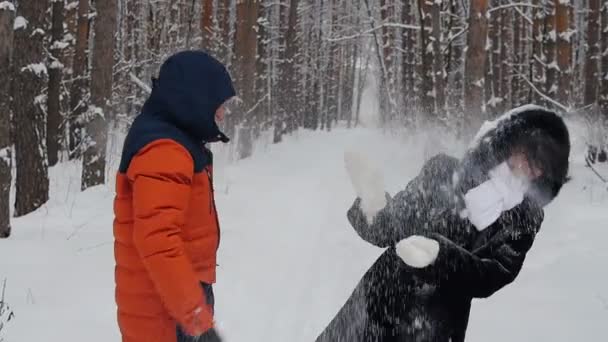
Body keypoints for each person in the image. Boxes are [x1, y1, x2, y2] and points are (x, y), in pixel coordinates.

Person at [315, 105, 571, 342]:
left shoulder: (522, 220)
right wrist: (373, 203)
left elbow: (491, 275)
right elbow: (390, 228)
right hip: (378, 301)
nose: (528, 167)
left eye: (540, 165)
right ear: (508, 142)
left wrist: (440, 257)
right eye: (527, 154)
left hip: (433, 327)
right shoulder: (444, 172)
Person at [113, 50, 234, 342]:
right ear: (197, 99)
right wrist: (196, 318)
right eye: (220, 105)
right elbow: (159, 240)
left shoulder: (178, 140)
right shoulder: (165, 148)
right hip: (164, 315)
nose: (223, 113)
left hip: (175, 302)